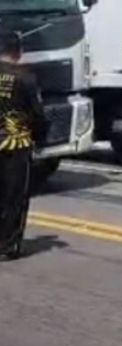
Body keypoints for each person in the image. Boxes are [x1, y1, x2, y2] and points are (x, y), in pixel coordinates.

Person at [0, 31, 47, 260]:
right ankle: (9, 246)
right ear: (18, 52)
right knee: (15, 196)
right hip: (16, 146)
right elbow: (37, 114)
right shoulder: (26, 78)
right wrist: (41, 139)